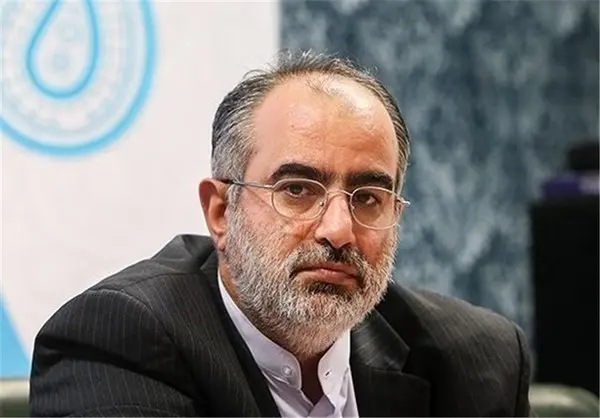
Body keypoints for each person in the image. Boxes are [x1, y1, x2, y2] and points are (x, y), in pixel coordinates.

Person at [29, 51, 533, 417]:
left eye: (368, 198)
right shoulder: (120, 340)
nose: (339, 231)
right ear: (221, 212)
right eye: (297, 190)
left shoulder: (476, 361)